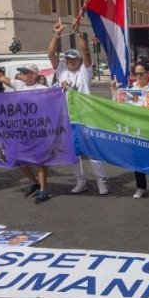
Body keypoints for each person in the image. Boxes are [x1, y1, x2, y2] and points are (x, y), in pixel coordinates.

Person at [49, 20, 110, 195]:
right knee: (71, 151)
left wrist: (77, 33)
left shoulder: (85, 70)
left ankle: (101, 180)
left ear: (79, 61)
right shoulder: (61, 71)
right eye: (67, 59)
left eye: (73, 59)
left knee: (92, 150)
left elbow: (86, 51)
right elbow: (51, 53)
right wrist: (56, 35)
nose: (69, 61)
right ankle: (80, 180)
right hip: (67, 116)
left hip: (86, 115)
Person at [0, 59, 52, 203]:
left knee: (40, 160)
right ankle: (33, 182)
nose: (21, 74)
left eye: (25, 72)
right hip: (20, 129)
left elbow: (54, 104)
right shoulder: (19, 84)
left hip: (37, 129)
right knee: (17, 157)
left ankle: (43, 190)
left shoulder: (43, 89)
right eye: (21, 72)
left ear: (34, 74)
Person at [120, 62, 149, 198]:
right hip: (135, 130)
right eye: (136, 74)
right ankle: (140, 187)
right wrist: (114, 92)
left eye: (141, 73)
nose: (138, 76)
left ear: (148, 74)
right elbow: (121, 108)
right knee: (138, 160)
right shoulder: (130, 88)